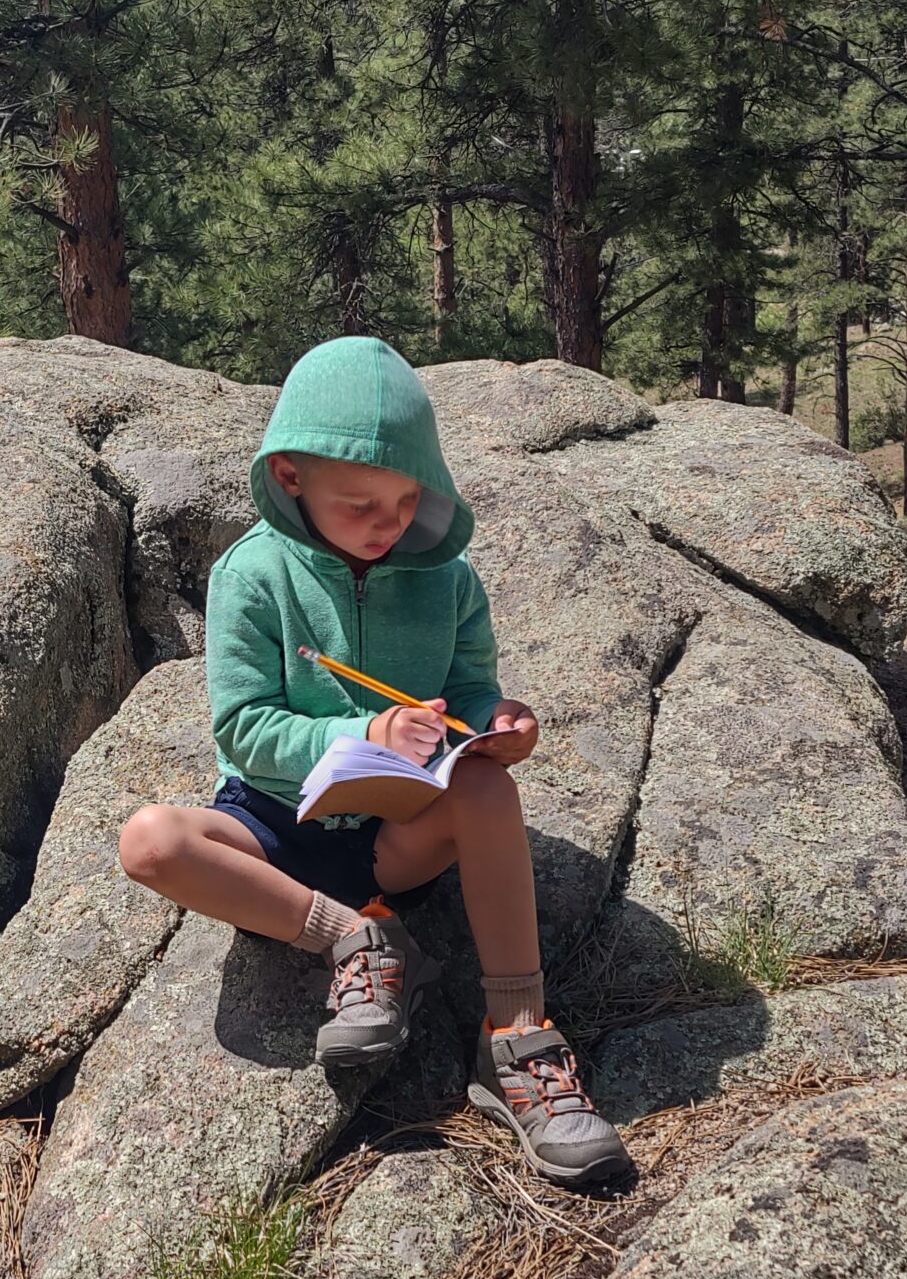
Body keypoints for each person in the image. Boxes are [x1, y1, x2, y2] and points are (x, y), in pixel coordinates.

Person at [117, 335, 632, 1191]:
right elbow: (244, 727)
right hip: (276, 826)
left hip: (396, 836)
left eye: (405, 500)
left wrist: (497, 722)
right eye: (360, 503)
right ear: (290, 475)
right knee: (151, 842)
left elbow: (470, 691)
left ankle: (517, 1032)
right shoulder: (252, 576)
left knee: (488, 782)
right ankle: (353, 939)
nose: (388, 524)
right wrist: (359, 733)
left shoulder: (447, 581)